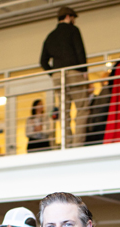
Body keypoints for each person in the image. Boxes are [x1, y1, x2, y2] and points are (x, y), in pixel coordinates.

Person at [39, 6, 89, 147]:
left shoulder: (50, 36)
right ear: (68, 17)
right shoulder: (73, 30)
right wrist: (84, 70)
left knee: (64, 111)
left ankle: (67, 143)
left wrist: (53, 73)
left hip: (57, 76)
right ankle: (77, 144)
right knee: (82, 108)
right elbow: (80, 51)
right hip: (74, 72)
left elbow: (42, 61)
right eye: (73, 17)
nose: (74, 20)